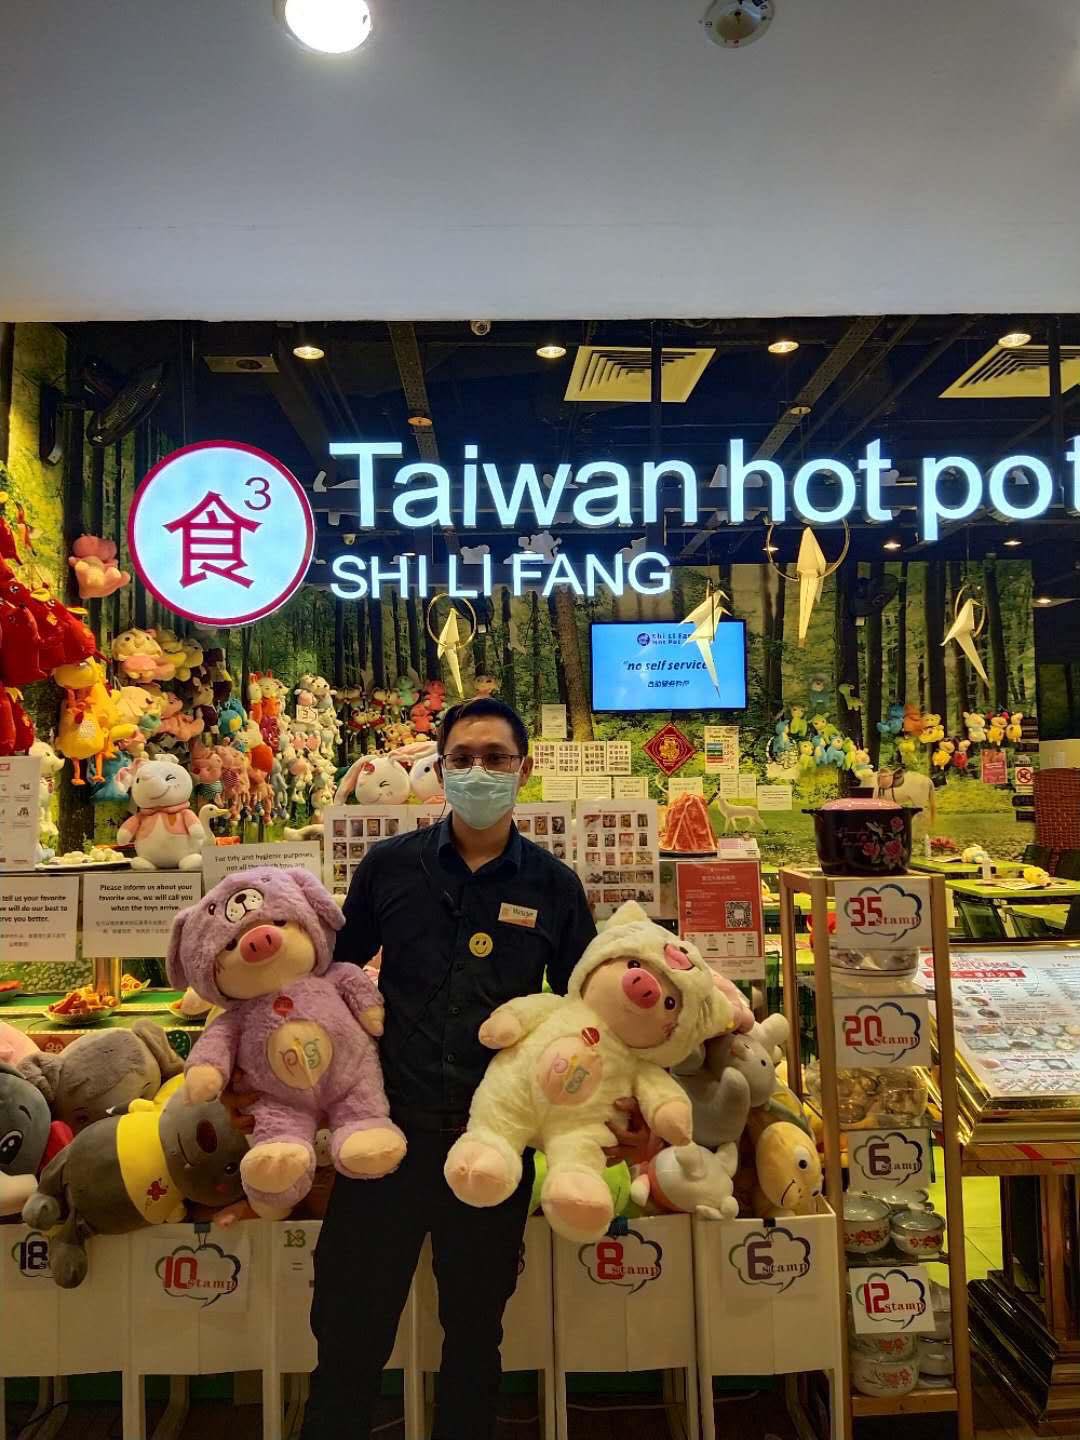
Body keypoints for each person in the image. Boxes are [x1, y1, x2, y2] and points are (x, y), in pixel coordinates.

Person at [299, 695, 598, 1440]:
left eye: (495, 757)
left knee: (474, 1334)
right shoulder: (389, 867)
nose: (478, 771)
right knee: (347, 1331)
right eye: (462, 758)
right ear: (440, 768)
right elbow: (335, 975)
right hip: (386, 1133)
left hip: (491, 1140)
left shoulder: (554, 887)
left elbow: (584, 1012)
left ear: (523, 769)